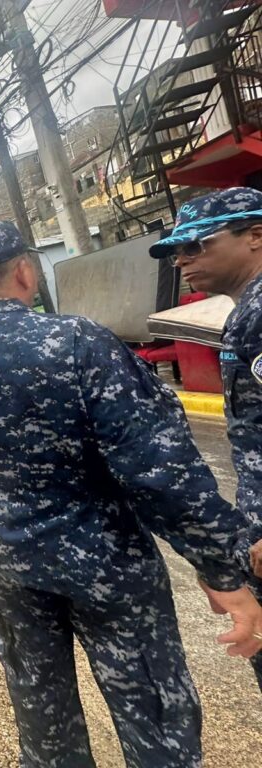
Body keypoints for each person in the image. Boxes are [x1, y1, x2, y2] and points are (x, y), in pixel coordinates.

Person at [0, 221, 262, 767]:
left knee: (43, 718)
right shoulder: (76, 341)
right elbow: (159, 469)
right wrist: (222, 570)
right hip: (107, 569)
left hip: (9, 569)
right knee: (153, 715)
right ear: (25, 272)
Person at [149, 186, 262, 692]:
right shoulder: (246, 313)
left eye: (196, 246)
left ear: (255, 235)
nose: (181, 261)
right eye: (176, 251)